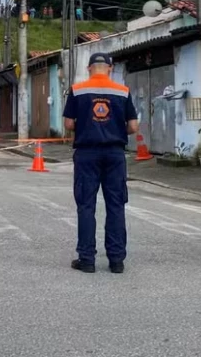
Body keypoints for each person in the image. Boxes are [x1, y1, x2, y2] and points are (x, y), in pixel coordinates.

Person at [63, 53, 138, 274]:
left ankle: (86, 259)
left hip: (87, 153)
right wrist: (113, 130)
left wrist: (88, 126)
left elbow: (68, 124)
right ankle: (116, 261)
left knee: (86, 205)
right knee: (116, 205)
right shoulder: (123, 92)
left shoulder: (78, 90)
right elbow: (133, 127)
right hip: (114, 154)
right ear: (110, 68)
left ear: (89, 69)